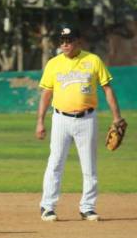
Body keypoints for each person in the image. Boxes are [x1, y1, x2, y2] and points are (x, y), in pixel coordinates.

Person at [35, 25, 125, 222]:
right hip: (60, 119)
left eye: (69, 40)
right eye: (62, 41)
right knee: (55, 163)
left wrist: (117, 117)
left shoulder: (93, 61)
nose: (65, 44)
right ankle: (48, 206)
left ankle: (87, 207)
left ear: (78, 41)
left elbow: (107, 89)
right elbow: (46, 94)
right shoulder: (53, 64)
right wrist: (40, 121)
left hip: (87, 119)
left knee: (89, 165)